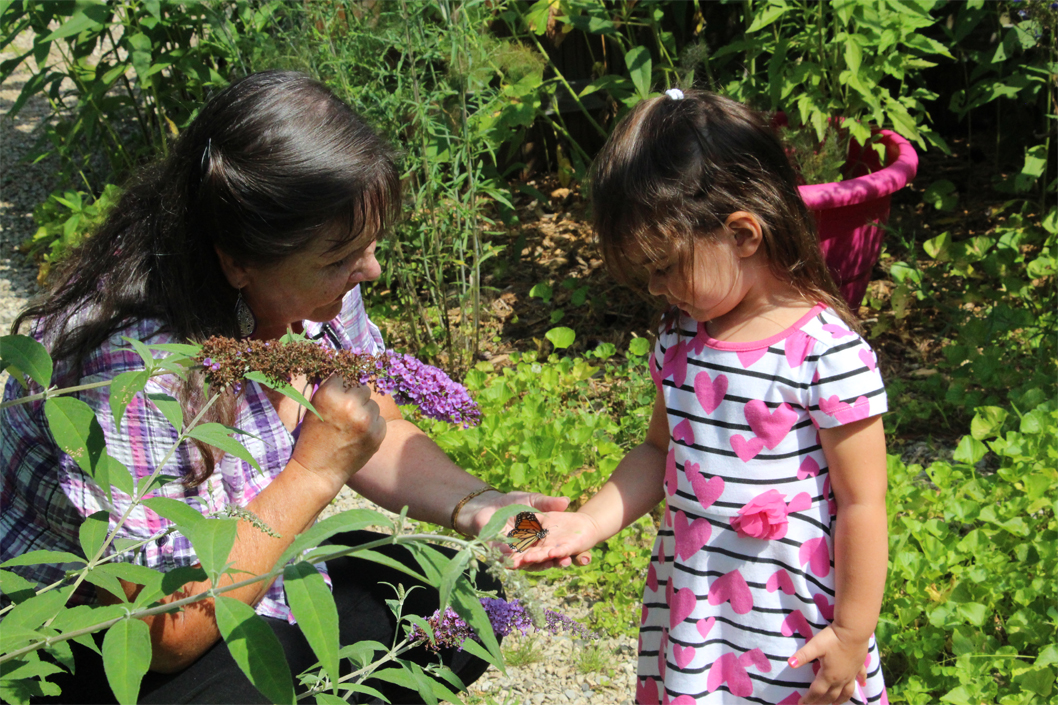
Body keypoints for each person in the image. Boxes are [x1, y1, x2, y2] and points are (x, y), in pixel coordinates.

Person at [0, 70, 569, 704]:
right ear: (236, 259)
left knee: (453, 599)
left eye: (369, 245)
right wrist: (314, 472)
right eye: (339, 258)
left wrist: (483, 507)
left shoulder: (312, 294)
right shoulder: (127, 368)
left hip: (235, 588)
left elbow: (368, 419)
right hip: (78, 649)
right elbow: (164, 633)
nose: (370, 271)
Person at [513, 89, 889, 705]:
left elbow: (863, 504)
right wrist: (587, 520)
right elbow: (659, 452)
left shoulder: (828, 354)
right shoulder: (682, 338)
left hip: (792, 618)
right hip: (702, 611)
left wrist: (851, 631)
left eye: (665, 266)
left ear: (743, 234)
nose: (658, 288)